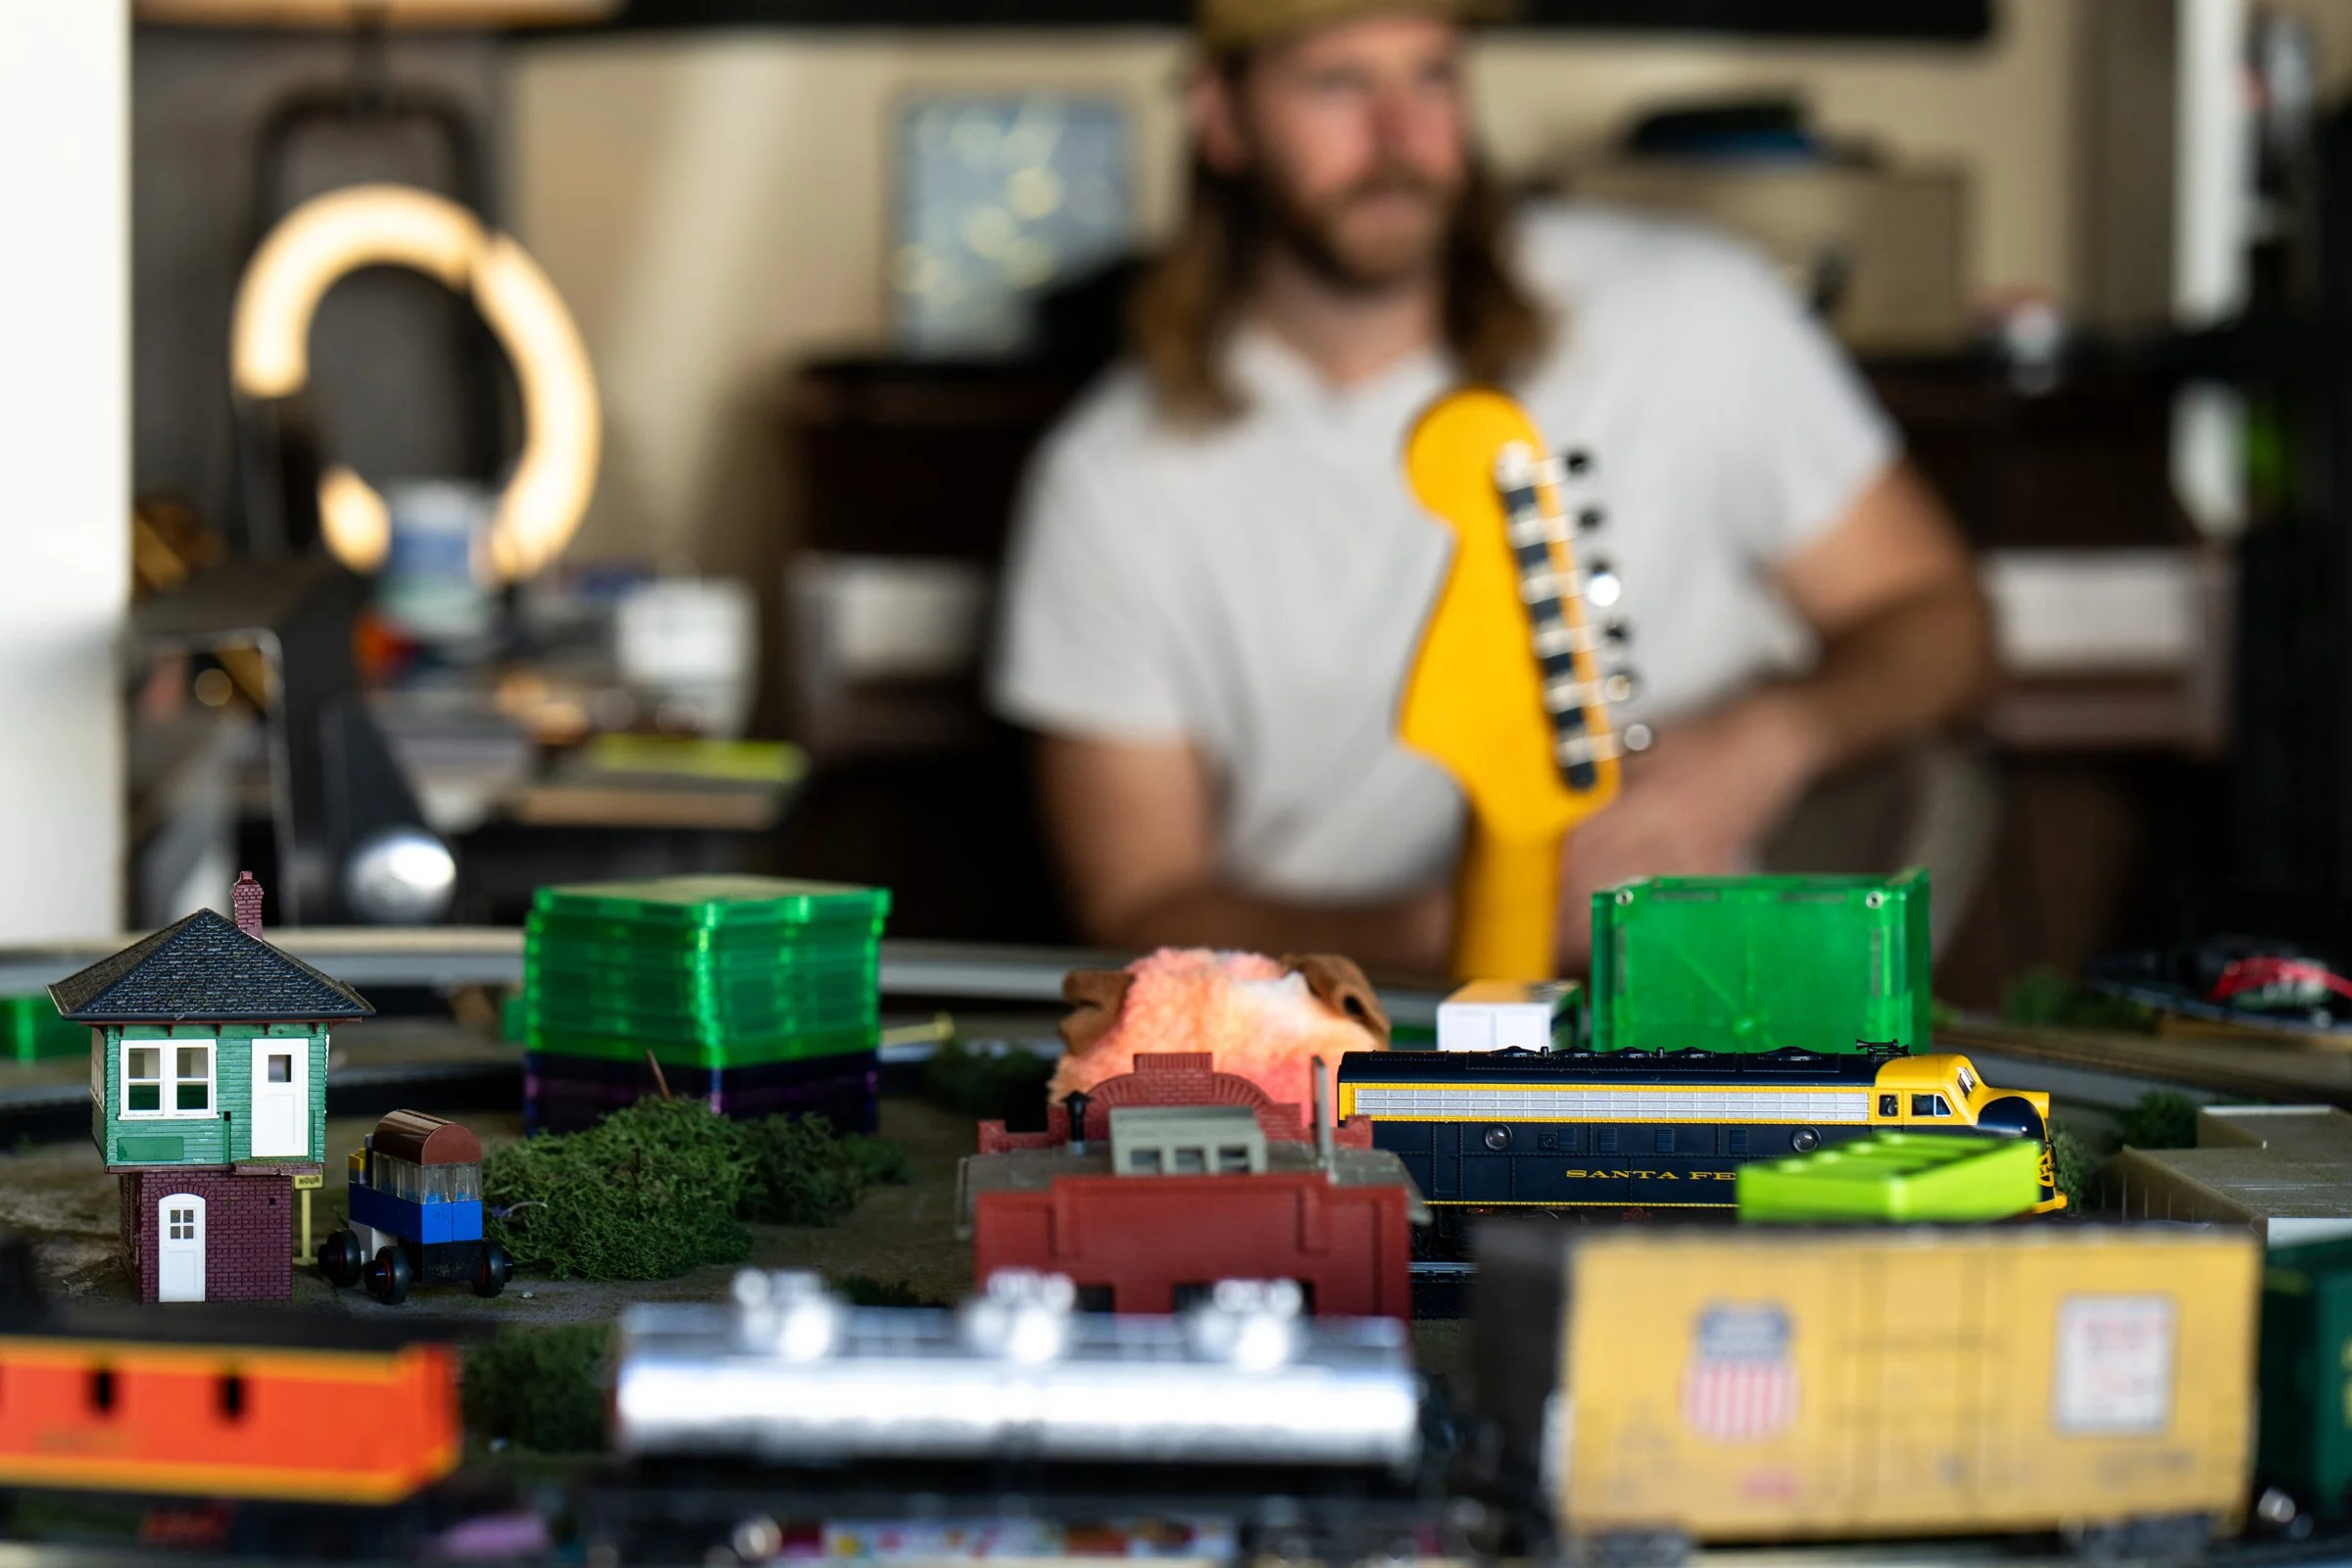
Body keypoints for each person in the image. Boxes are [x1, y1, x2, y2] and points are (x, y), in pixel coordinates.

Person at [990, 0, 1996, 975]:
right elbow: (1138, 906)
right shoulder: (1107, 480)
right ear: (1222, 116)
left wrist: (1770, 738)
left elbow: (1942, 620)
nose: (1399, 134)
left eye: (1433, 75)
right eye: (1338, 82)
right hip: (1354, 1043)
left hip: (1703, 1010)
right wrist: (1468, 920)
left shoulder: (1693, 312)